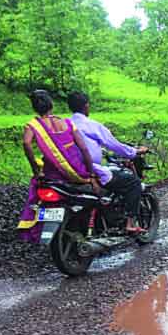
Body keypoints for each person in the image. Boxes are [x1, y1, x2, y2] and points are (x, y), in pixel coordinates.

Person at [17, 90, 98, 242]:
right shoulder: (67, 123)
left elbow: (26, 143)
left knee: (37, 190)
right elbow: (84, 149)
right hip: (76, 170)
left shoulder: (33, 125)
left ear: (34, 107)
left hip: (52, 172)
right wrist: (90, 174)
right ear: (51, 105)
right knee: (100, 193)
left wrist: (35, 167)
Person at [67, 91, 148, 234]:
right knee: (133, 182)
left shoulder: (64, 125)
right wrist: (135, 151)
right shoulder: (91, 125)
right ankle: (130, 223)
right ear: (86, 106)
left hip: (68, 170)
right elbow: (114, 145)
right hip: (90, 169)